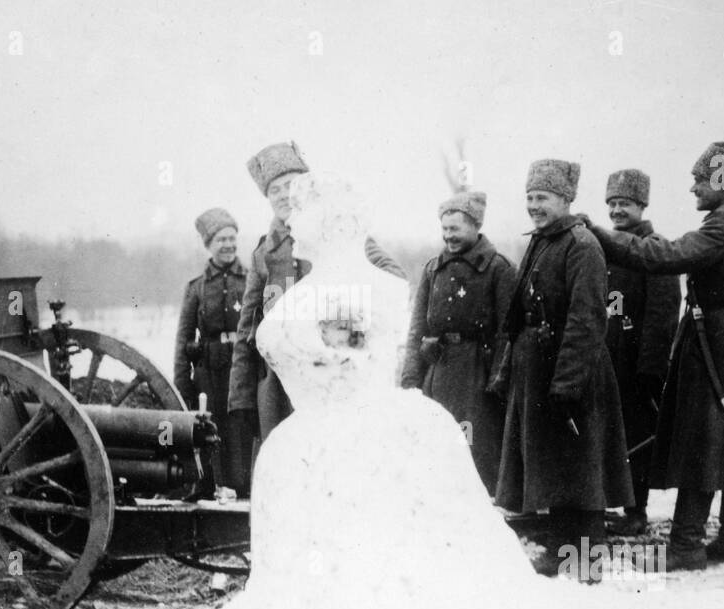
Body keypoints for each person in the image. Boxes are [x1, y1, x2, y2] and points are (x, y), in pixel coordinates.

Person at [586, 140, 724, 570]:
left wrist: (601, 235)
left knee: (704, 440)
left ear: (720, 181)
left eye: (699, 179)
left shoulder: (723, 226)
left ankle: (686, 545)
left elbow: (664, 255)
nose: (692, 187)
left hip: (716, 343)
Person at [493, 159, 633, 578]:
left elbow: (588, 319)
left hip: (574, 371)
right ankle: (560, 550)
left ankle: (587, 560)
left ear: (566, 199)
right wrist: (508, 368)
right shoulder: (540, 241)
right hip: (538, 369)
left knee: (582, 463)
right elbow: (518, 312)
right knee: (552, 463)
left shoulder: (582, 244)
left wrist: (567, 383)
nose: (534, 206)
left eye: (543, 198)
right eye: (530, 198)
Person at [227, 142, 405, 447]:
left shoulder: (338, 232)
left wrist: (342, 315)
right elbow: (247, 329)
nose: (283, 195)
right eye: (275, 190)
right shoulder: (262, 253)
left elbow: (391, 277)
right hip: (277, 382)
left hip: (331, 374)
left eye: (290, 185)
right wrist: (240, 397)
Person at [401, 190, 517, 495]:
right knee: (436, 438)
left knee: (475, 440)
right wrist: (411, 378)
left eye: (456, 229)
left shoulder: (498, 268)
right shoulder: (432, 268)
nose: (448, 236)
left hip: (477, 372)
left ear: (475, 226)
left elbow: (509, 330)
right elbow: (417, 328)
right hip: (437, 370)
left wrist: (498, 377)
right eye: (444, 229)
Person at [601, 170, 681, 534]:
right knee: (607, 430)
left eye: (625, 204)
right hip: (608, 355)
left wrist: (650, 367)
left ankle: (636, 512)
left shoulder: (655, 247)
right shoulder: (604, 245)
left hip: (638, 361)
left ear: (641, 205)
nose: (618, 210)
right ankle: (607, 504)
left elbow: (663, 314)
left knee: (638, 432)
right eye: (613, 204)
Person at [173, 208, 255, 498]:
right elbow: (184, 338)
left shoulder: (251, 280)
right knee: (207, 429)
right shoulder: (196, 288)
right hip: (208, 373)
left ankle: (246, 492)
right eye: (221, 239)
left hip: (243, 369)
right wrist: (182, 382)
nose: (229, 245)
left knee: (241, 430)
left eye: (233, 238)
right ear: (209, 244)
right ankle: (206, 489)